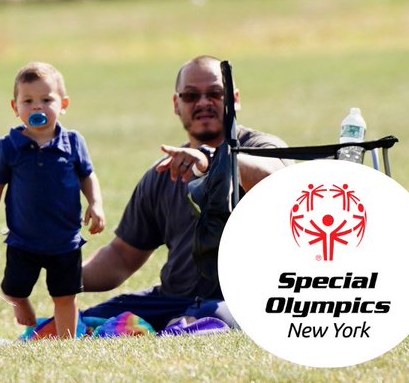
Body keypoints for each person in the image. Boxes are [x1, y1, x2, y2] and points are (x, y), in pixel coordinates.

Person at [80, 55, 287, 331]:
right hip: (173, 298)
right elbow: (122, 256)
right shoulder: (163, 173)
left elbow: (281, 184)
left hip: (240, 299)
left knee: (204, 322)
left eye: (215, 93)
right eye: (191, 96)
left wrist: (214, 159)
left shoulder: (262, 147)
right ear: (176, 105)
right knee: (82, 324)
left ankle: (180, 327)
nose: (203, 103)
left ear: (234, 99)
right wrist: (63, 273)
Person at [0, 62, 105, 339]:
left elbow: (87, 175)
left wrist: (95, 204)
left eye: (47, 100)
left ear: (63, 104)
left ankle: (67, 342)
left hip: (65, 239)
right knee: (14, 287)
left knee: (66, 295)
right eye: (28, 101)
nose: (37, 107)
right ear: (15, 107)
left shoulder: (73, 142)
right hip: (24, 239)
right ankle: (19, 301)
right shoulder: (10, 146)